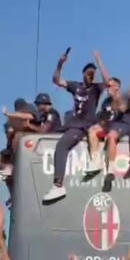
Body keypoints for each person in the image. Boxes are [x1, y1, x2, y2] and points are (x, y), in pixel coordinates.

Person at [43, 51, 108, 203]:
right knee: (59, 142)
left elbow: (108, 80)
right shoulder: (75, 86)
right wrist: (60, 64)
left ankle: (59, 184)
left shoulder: (96, 88)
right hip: (74, 125)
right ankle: (58, 184)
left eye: (93, 74)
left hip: (86, 125)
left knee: (62, 146)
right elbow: (56, 80)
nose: (90, 76)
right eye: (88, 74)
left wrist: (99, 61)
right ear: (83, 74)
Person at [86, 77, 130, 192]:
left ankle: (111, 171)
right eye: (107, 87)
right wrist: (102, 122)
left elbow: (123, 108)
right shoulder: (105, 102)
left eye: (110, 86)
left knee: (111, 136)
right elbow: (103, 120)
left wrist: (115, 102)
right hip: (109, 125)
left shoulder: (123, 98)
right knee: (92, 130)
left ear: (117, 86)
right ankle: (96, 161)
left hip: (122, 124)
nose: (107, 89)